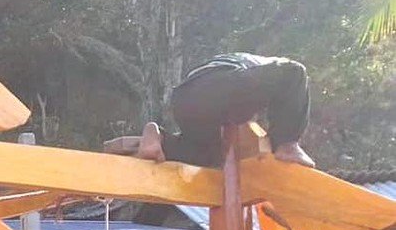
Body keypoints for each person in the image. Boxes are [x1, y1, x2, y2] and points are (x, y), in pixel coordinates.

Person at [108, 54, 316, 168]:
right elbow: (285, 80)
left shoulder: (246, 89)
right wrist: (280, 140)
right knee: (295, 72)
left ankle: (159, 139)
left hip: (184, 99)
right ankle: (287, 145)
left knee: (209, 157)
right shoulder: (262, 66)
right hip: (215, 85)